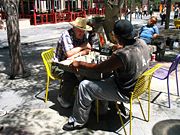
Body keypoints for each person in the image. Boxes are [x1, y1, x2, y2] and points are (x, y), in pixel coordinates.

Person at [62, 19, 150, 131]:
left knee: (85, 86)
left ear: (117, 37)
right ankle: (102, 110)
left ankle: (77, 121)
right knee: (104, 79)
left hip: (125, 91)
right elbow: (129, 51)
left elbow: (99, 69)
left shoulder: (122, 55)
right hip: (138, 87)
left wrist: (79, 64)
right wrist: (120, 48)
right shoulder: (141, 43)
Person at [52, 17, 92, 108]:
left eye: (83, 31)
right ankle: (63, 97)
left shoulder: (83, 35)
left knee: (87, 73)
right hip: (58, 65)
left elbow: (89, 48)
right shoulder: (66, 35)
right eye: (79, 31)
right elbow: (69, 54)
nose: (81, 33)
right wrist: (82, 48)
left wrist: (79, 52)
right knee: (72, 75)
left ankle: (84, 98)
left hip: (72, 63)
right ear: (74, 28)